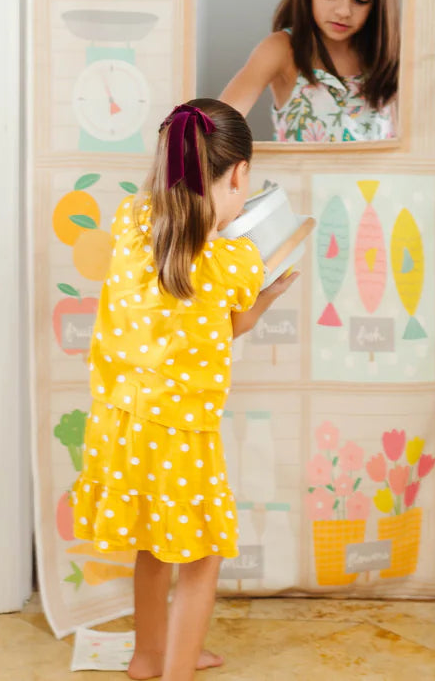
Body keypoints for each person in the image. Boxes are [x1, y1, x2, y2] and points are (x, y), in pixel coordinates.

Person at [71, 99, 298, 681]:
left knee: (153, 542)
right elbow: (234, 321)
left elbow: (198, 321)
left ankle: (150, 656)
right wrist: (268, 293)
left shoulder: (130, 220)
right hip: (179, 434)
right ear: (240, 174)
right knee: (200, 556)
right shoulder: (234, 259)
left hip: (119, 424)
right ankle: (177, 670)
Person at [220, 0, 400, 142]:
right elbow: (216, 127)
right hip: (297, 178)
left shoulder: (388, 59)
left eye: (361, 0)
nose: (344, 11)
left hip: (376, 178)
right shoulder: (282, 50)